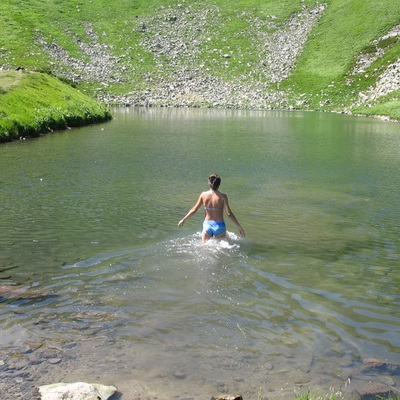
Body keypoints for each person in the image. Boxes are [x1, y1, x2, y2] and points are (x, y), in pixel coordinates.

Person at [178, 173, 245, 243]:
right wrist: (239, 226)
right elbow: (229, 214)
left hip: (207, 225)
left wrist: (183, 219)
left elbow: (194, 210)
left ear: (209, 183)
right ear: (219, 184)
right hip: (219, 226)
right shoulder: (223, 196)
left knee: (204, 248)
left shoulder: (203, 195)